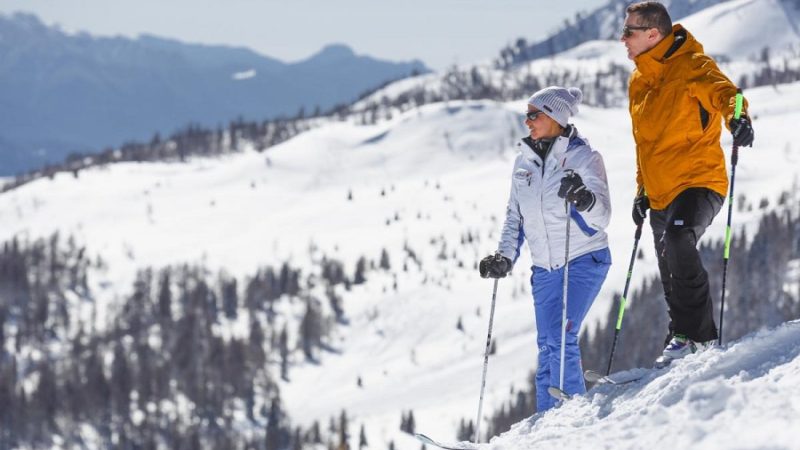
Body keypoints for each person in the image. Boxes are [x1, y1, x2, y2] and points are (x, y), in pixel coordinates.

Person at [620, 2, 755, 362]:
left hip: (700, 180)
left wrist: (739, 119)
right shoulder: (638, 82)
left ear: (652, 34)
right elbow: (645, 146)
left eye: (629, 32)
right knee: (669, 267)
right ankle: (680, 338)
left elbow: (731, 96)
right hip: (660, 191)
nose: (623, 39)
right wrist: (641, 190)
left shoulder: (692, 65)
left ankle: (700, 338)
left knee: (679, 239)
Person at [479, 86, 612, 412]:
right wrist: (505, 256)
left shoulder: (584, 158)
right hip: (545, 269)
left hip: (584, 259)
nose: (527, 122)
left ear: (555, 117)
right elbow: (515, 217)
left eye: (533, 114)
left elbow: (603, 217)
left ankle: (571, 416)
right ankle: (547, 422)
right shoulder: (522, 164)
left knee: (560, 336)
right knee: (547, 344)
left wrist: (584, 197)